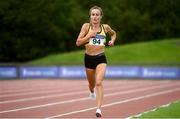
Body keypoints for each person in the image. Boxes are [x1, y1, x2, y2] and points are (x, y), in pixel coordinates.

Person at [76, 5, 116, 117]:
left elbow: (113, 33)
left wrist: (112, 40)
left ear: (101, 16)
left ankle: (98, 109)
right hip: (88, 58)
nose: (95, 17)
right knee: (91, 84)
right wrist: (89, 35)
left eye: (97, 15)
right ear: (90, 16)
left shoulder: (105, 27)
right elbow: (78, 42)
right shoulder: (86, 26)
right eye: (93, 14)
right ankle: (91, 91)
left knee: (99, 82)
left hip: (100, 57)